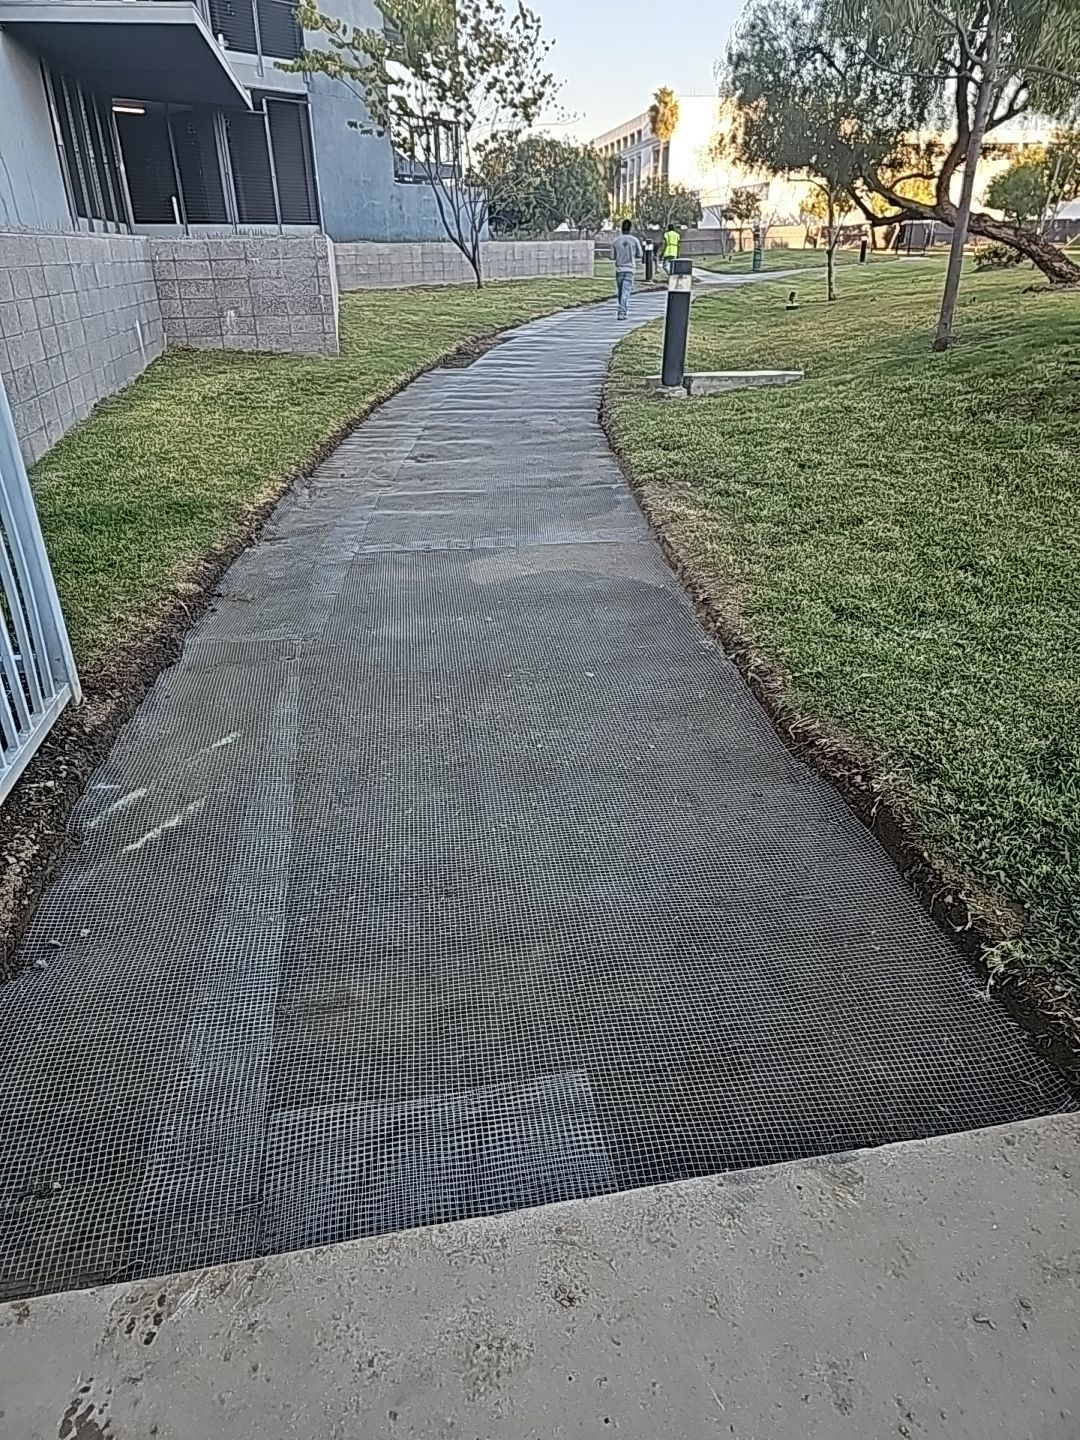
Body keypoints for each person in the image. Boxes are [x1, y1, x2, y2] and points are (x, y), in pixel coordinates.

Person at [612, 218, 644, 320]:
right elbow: (640, 254)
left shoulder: (616, 241)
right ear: (630, 229)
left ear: (621, 229)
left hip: (619, 269)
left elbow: (612, 256)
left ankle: (622, 309)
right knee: (625, 292)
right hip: (630, 269)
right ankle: (622, 312)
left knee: (621, 292)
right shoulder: (634, 240)